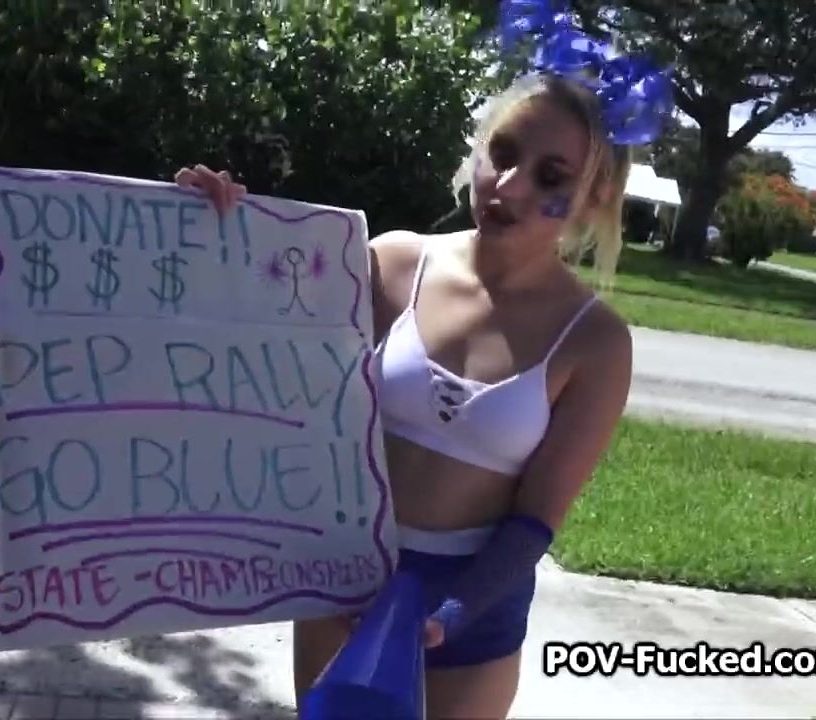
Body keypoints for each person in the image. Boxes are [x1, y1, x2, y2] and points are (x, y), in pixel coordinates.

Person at [175, 5, 672, 717]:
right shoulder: (390, 264)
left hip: (474, 612)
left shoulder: (594, 342)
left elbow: (537, 516)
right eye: (503, 153)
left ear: (593, 197)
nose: (509, 186)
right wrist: (210, 227)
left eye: (549, 175)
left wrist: (451, 613)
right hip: (346, 581)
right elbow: (249, 354)